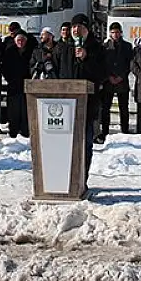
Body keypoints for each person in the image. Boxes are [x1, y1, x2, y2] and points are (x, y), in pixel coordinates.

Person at [54, 13, 104, 179]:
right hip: (64, 105)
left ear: (87, 29)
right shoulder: (62, 47)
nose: (76, 29)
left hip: (87, 105)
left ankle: (81, 179)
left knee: (84, 144)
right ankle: (64, 178)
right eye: (74, 26)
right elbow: (55, 71)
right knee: (65, 145)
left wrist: (86, 58)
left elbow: (102, 74)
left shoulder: (96, 48)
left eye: (80, 27)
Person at [98, 22, 134, 142]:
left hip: (122, 81)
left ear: (121, 33)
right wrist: (109, 76)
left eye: (117, 32)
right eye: (113, 32)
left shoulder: (127, 46)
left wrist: (121, 76)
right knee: (105, 108)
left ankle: (125, 130)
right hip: (108, 81)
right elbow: (102, 64)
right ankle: (105, 132)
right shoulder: (104, 46)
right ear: (110, 33)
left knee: (124, 108)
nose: (115, 34)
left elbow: (130, 63)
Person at [2, 33, 34, 138]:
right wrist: (9, 79)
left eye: (22, 40)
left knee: (25, 109)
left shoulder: (30, 52)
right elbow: (4, 67)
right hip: (13, 84)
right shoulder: (10, 51)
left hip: (26, 84)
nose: (20, 42)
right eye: (18, 40)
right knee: (13, 110)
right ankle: (13, 131)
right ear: (15, 41)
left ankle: (25, 131)